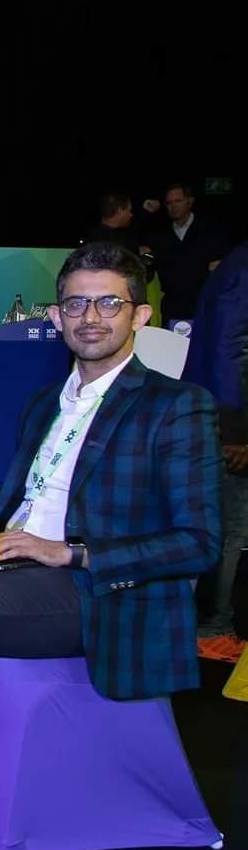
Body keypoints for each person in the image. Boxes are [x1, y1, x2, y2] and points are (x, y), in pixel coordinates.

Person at [0, 240, 220, 850]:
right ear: (57, 315)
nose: (90, 317)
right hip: (17, 569)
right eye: (75, 304)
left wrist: (72, 552)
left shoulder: (176, 406)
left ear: (140, 314)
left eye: (108, 303)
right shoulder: (45, 403)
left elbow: (198, 542)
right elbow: (25, 504)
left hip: (96, 591)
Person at [183, 240, 248, 639]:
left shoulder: (236, 263)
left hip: (219, 415)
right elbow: (229, 348)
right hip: (227, 421)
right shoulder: (242, 271)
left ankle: (210, 620)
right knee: (229, 524)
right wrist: (236, 431)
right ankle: (212, 624)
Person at [147, 182, 229, 325]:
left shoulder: (210, 230)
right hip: (173, 308)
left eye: (178, 201)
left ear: (189, 202)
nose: (173, 206)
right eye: (169, 203)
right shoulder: (159, 236)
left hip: (204, 305)